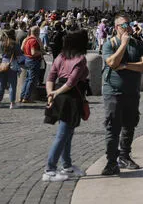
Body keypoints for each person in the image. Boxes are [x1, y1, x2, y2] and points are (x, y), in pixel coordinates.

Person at [101, 14, 143, 176]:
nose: (128, 27)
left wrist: (125, 65)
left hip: (132, 91)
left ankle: (124, 156)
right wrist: (123, 44)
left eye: (129, 24)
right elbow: (112, 63)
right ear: (116, 28)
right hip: (113, 92)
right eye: (124, 25)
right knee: (112, 127)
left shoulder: (138, 44)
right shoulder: (110, 44)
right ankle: (111, 162)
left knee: (129, 124)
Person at [42, 29, 90, 182]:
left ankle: (67, 165)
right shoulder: (80, 59)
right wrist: (55, 93)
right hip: (71, 97)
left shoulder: (60, 56)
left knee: (68, 133)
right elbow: (72, 82)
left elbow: (51, 77)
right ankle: (50, 169)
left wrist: (51, 93)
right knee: (63, 135)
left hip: (60, 95)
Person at [0, 30, 22, 109]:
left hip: (2, 64)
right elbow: (20, 56)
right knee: (12, 85)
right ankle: (12, 103)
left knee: (0, 84)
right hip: (12, 65)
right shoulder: (15, 44)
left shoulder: (0, 43)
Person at [20, 26, 44, 103]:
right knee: (31, 80)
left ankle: (22, 96)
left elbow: (22, 49)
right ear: (37, 32)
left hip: (27, 60)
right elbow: (33, 53)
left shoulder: (27, 39)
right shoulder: (34, 41)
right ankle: (26, 98)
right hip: (33, 61)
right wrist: (42, 52)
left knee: (27, 79)